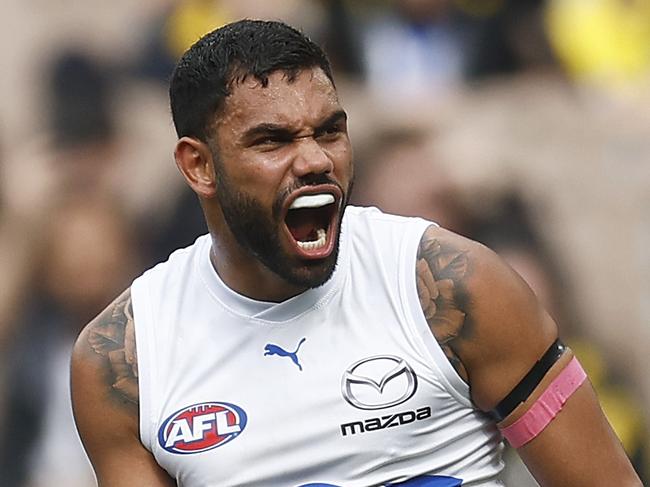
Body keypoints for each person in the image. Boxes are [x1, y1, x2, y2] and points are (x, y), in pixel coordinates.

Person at [70, 19, 642, 486]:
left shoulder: (455, 287)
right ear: (198, 166)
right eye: (273, 140)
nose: (316, 160)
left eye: (329, 131)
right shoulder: (125, 358)